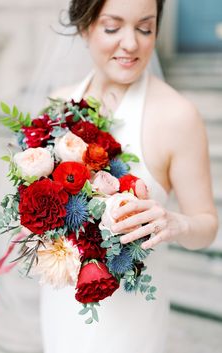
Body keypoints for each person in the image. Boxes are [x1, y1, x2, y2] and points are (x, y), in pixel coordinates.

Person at [40, 0, 218, 352]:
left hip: (131, 319)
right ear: (85, 26)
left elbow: (207, 225)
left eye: (145, 27)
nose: (132, 44)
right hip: (61, 301)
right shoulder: (58, 106)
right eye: (112, 27)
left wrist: (178, 224)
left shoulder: (177, 116)